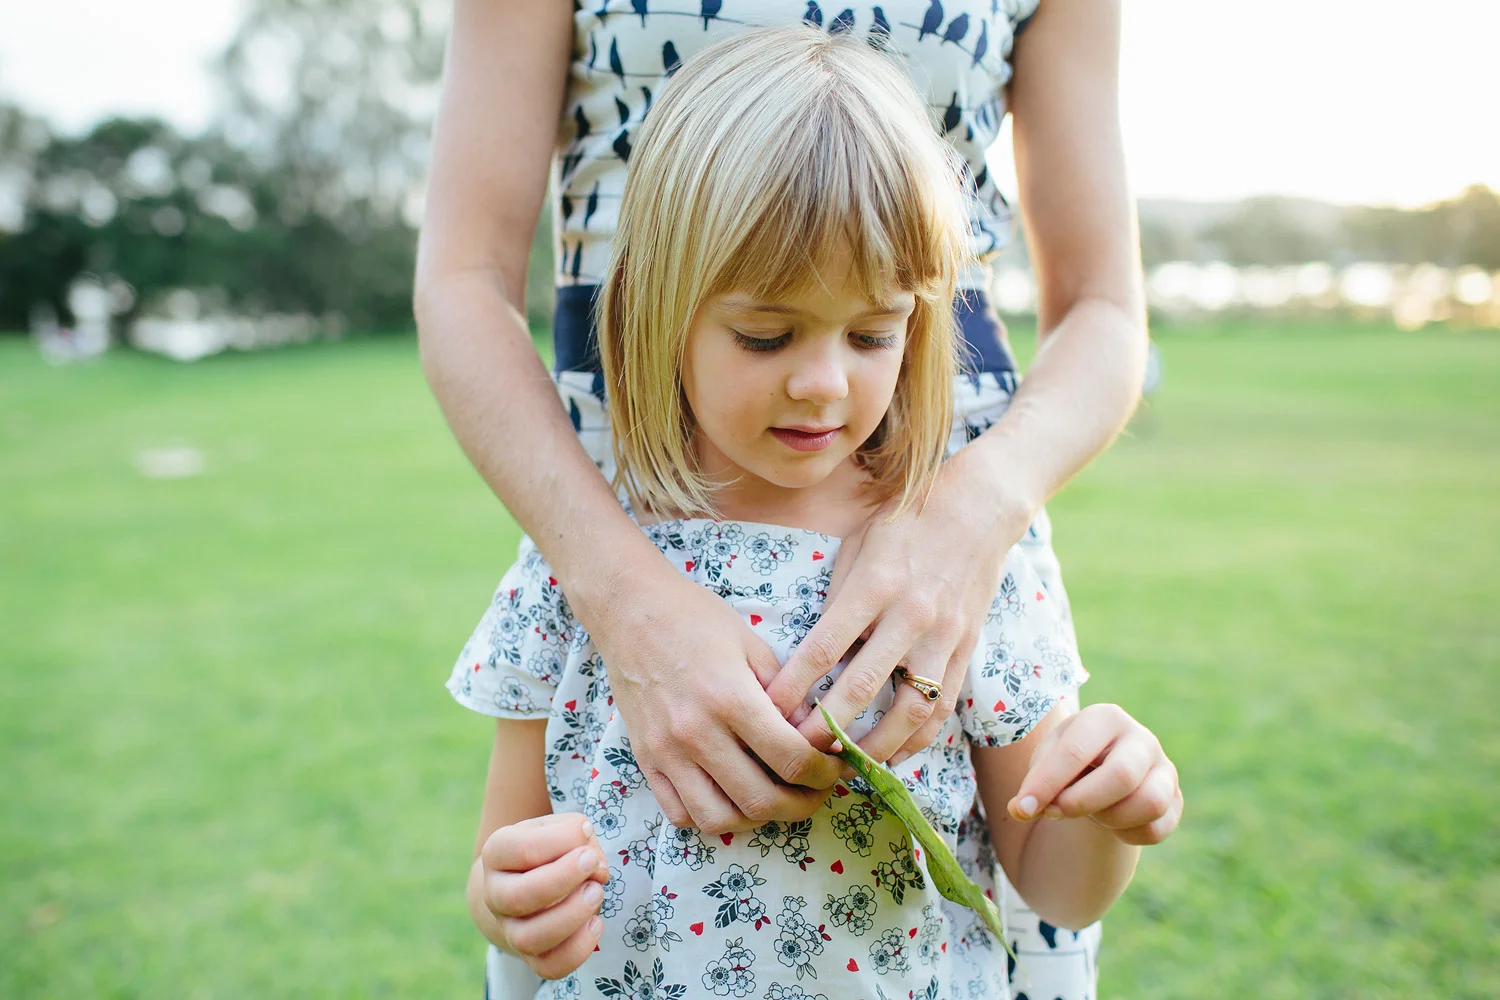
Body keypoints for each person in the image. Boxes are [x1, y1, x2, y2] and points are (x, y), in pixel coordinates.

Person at [417, 0, 1145, 994]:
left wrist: (1105, 811)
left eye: (873, 334)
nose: (823, 383)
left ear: (921, 328)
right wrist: (509, 898)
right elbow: (509, 853)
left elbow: (1055, 885)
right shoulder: (562, 574)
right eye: (766, 334)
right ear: (653, 315)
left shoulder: (983, 584)